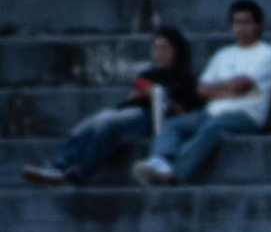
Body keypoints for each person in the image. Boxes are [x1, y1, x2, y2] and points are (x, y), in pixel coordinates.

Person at [22, 27, 202, 185]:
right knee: (90, 123)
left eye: (165, 48)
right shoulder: (150, 73)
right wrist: (141, 92)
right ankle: (59, 165)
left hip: (153, 117)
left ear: (177, 50)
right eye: (157, 48)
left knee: (106, 123)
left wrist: (160, 95)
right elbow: (131, 97)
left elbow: (184, 111)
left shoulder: (184, 78)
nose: (160, 53)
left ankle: (78, 170)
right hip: (132, 110)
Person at [132, 0, 271, 186]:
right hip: (212, 112)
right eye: (236, 22)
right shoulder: (223, 54)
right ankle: (160, 162)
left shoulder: (266, 53)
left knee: (212, 128)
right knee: (173, 125)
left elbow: (242, 85)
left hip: (246, 115)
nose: (240, 27)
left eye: (246, 22)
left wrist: (219, 88)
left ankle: (174, 172)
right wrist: (230, 88)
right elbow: (201, 89)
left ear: (258, 26)